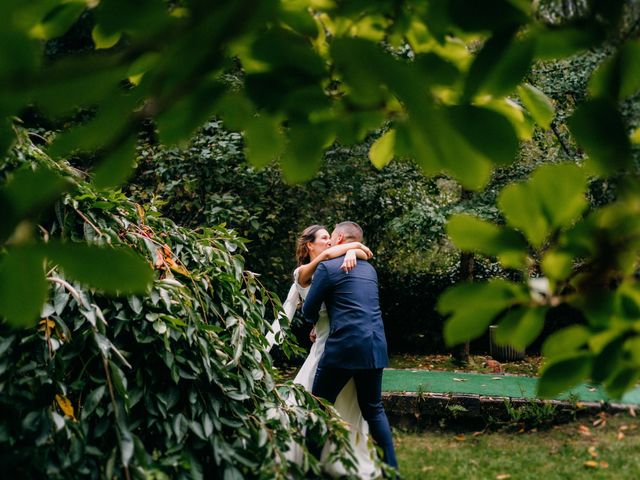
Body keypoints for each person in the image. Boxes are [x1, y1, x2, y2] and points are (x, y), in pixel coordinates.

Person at [267, 224, 380, 478]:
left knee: (346, 406)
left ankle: (336, 459)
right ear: (310, 245)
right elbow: (292, 311)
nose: (330, 242)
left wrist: (352, 252)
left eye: (331, 237)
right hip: (329, 346)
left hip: (342, 341)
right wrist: (352, 247)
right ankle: (304, 456)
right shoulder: (305, 271)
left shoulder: (334, 266)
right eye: (325, 238)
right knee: (310, 402)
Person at [302, 221, 398, 473]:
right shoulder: (370, 269)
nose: (330, 241)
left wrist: (315, 322)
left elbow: (308, 310)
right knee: (374, 410)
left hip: (343, 347)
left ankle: (310, 468)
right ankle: (393, 471)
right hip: (375, 345)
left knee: (319, 406)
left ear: (341, 238)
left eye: (332, 236)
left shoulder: (327, 267)